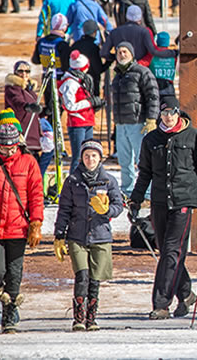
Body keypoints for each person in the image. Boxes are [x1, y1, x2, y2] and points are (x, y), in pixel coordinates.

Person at [130, 98, 197, 319]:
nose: (168, 117)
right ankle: (186, 292)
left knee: (171, 251)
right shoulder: (151, 139)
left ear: (178, 113)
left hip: (183, 201)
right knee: (167, 253)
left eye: (172, 113)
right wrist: (135, 201)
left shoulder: (193, 136)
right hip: (160, 202)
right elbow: (144, 173)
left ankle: (161, 304)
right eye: (164, 114)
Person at [0, 119, 43, 333]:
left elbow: (36, 194)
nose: (8, 149)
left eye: (12, 145)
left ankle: (10, 310)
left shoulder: (28, 162)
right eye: (4, 145)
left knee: (14, 272)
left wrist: (36, 223)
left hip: (18, 226)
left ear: (18, 143)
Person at [53, 140, 124, 332]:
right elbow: (64, 209)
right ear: (81, 158)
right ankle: (78, 318)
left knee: (95, 279)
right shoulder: (72, 181)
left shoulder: (109, 181)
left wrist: (108, 210)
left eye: (94, 155)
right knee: (82, 275)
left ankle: (92, 318)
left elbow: (119, 206)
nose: (90, 159)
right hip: (77, 236)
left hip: (101, 236)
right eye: (86, 155)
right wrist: (59, 235)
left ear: (100, 158)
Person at [110, 43, 159, 195]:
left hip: (138, 123)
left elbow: (153, 96)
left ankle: (148, 192)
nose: (122, 55)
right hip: (121, 124)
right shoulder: (117, 76)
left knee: (142, 160)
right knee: (124, 161)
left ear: (132, 54)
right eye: (119, 52)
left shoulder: (142, 72)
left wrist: (151, 118)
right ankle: (128, 190)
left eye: (125, 52)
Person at [59, 50, 101, 174]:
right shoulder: (71, 83)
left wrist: (94, 106)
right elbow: (69, 106)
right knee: (79, 157)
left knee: (90, 155)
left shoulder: (81, 81)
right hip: (77, 124)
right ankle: (72, 185)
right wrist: (89, 103)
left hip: (87, 121)